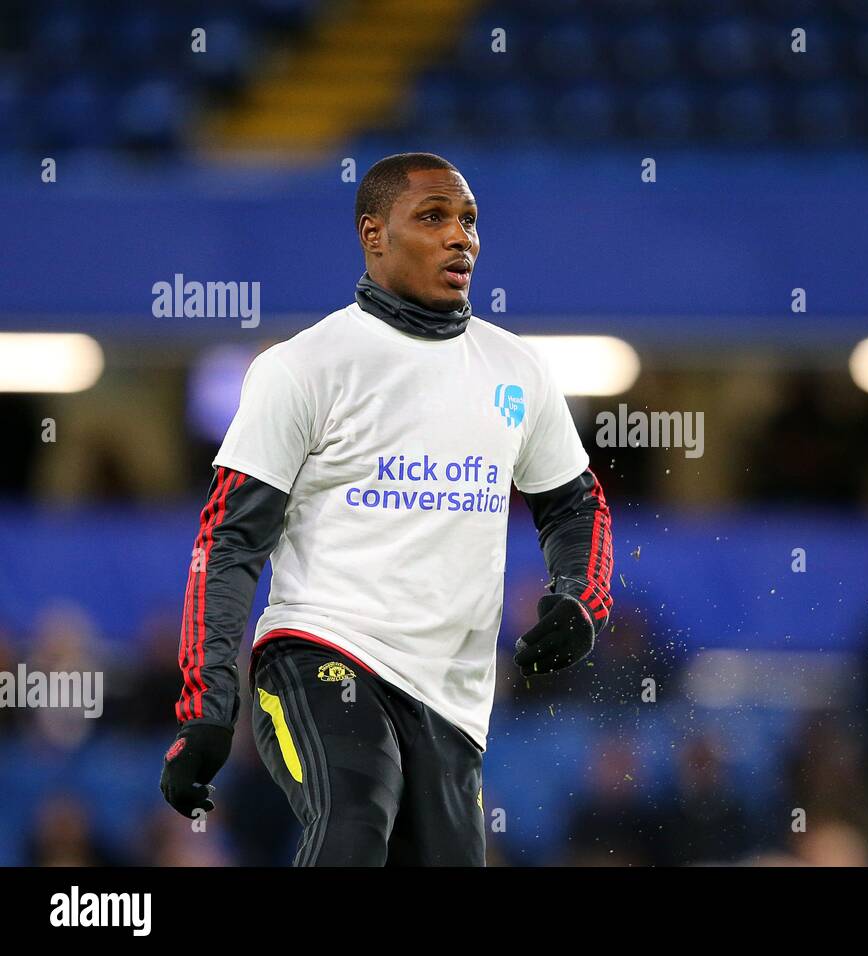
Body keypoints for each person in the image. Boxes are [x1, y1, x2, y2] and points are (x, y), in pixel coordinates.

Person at [159, 153, 614, 866]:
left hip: (452, 697)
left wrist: (579, 600)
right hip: (319, 655)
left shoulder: (518, 371)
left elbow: (575, 507)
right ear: (373, 234)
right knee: (353, 817)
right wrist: (209, 710)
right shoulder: (302, 368)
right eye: (432, 217)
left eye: (467, 220)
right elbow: (228, 546)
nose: (460, 237)